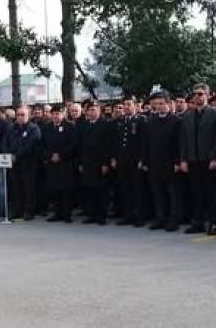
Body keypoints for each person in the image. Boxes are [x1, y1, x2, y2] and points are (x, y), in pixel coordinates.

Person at [179, 83, 216, 235]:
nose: (197, 97)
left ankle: (213, 223)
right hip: (193, 159)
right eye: (195, 94)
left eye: (200, 94)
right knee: (196, 193)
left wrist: (215, 158)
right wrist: (183, 159)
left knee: (211, 193)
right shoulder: (187, 115)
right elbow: (184, 140)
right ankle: (197, 222)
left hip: (209, 160)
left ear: (207, 95)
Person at [141, 90, 183, 231]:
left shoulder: (177, 121)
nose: (159, 106)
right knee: (158, 193)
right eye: (156, 104)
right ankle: (161, 218)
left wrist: (178, 161)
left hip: (171, 163)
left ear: (169, 104)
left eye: (161, 103)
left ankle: (174, 219)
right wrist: (145, 161)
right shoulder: (151, 121)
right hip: (155, 163)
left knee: (173, 194)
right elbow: (146, 144)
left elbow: (180, 143)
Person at [2, 106, 42, 220]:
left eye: (22, 115)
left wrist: (16, 155)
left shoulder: (33, 128)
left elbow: (30, 145)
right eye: (18, 114)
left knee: (28, 188)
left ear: (28, 115)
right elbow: (5, 142)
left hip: (28, 163)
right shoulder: (11, 128)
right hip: (13, 163)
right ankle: (18, 210)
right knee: (16, 187)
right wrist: (8, 154)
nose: (19, 117)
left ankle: (30, 210)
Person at [111, 97, 146, 226]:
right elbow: (116, 142)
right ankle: (128, 215)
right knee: (125, 189)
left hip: (135, 160)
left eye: (129, 104)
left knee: (137, 190)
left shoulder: (140, 121)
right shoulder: (119, 122)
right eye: (124, 105)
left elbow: (143, 142)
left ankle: (140, 217)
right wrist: (114, 158)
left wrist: (142, 159)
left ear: (135, 106)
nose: (126, 107)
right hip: (122, 160)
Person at [77, 101, 113, 225]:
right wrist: (81, 162)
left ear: (99, 111)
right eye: (90, 110)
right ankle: (91, 214)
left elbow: (107, 146)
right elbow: (81, 145)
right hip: (87, 162)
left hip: (100, 162)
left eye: (94, 110)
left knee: (101, 190)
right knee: (89, 189)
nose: (92, 112)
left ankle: (101, 215)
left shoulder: (105, 125)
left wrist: (105, 163)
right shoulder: (84, 125)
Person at [42, 105, 78, 223]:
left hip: (65, 162)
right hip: (52, 163)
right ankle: (57, 213)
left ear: (63, 114)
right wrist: (49, 155)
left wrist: (61, 155)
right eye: (54, 114)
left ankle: (66, 214)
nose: (55, 116)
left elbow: (73, 144)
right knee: (55, 189)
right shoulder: (47, 127)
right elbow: (42, 145)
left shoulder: (70, 126)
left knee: (66, 190)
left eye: (58, 114)